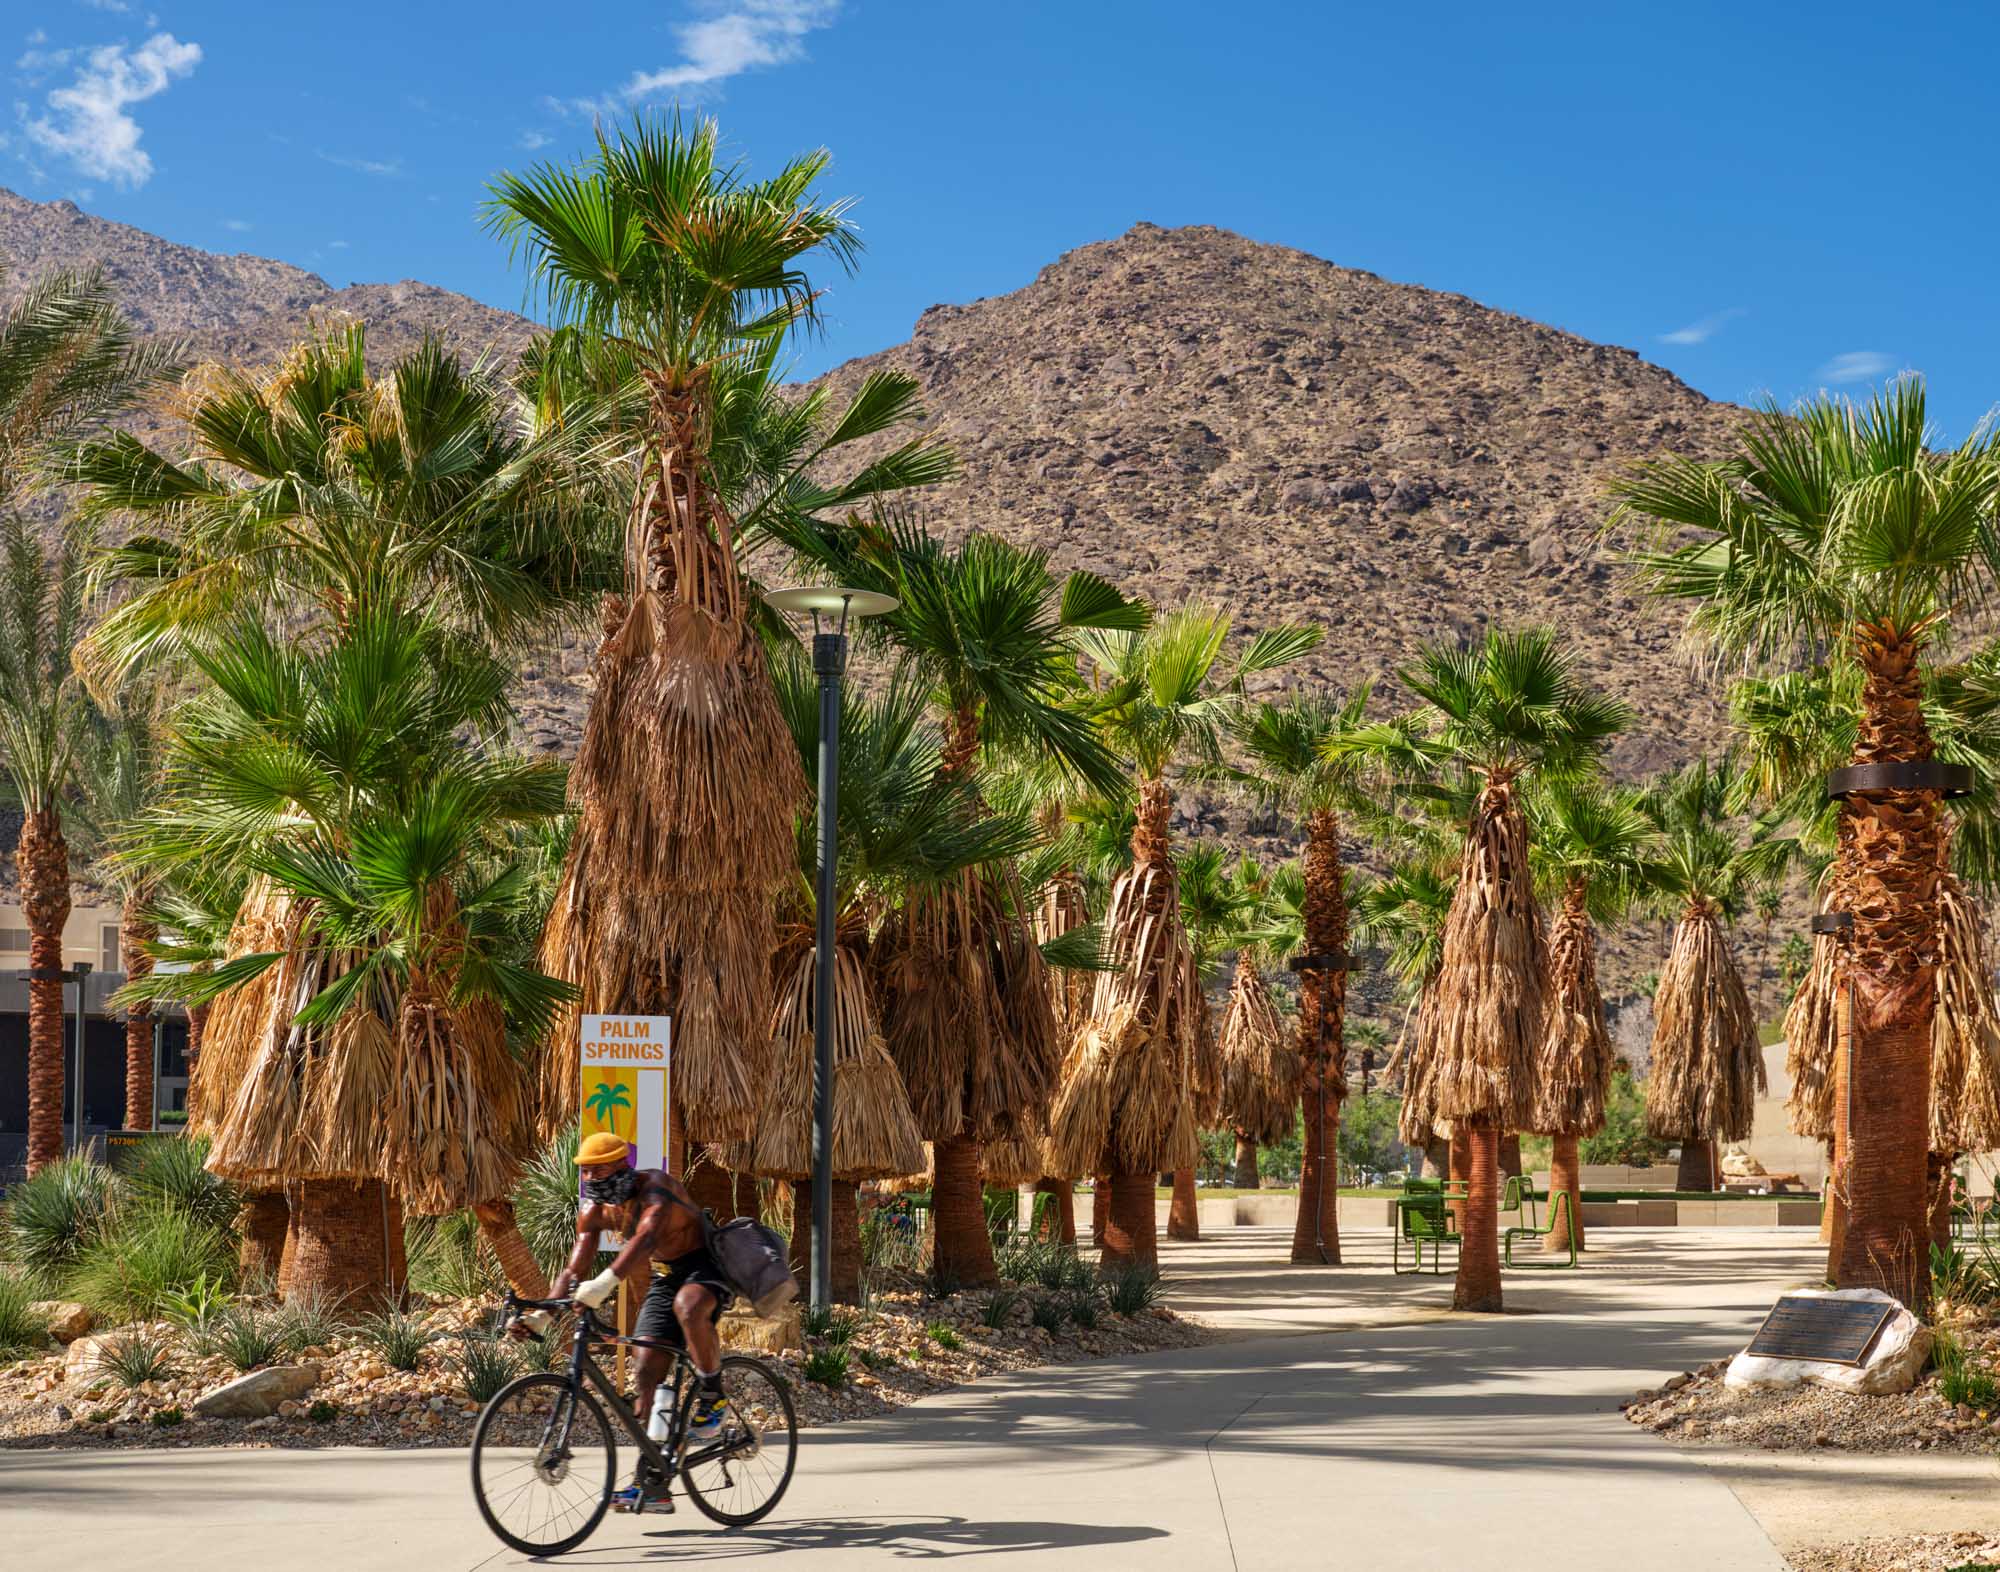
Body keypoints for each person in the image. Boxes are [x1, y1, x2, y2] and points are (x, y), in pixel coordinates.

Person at [535, 1130, 733, 1513]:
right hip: (665, 1275)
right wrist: (543, 1313)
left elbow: (644, 1240)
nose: (591, 1180)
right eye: (585, 1173)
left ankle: (713, 1394)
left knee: (689, 1307)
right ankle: (653, 1484)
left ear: (621, 1166)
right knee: (645, 1371)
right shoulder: (594, 1210)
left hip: (706, 1266)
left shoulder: (656, 1190)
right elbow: (574, 1269)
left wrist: (605, 1283)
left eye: (598, 1171)